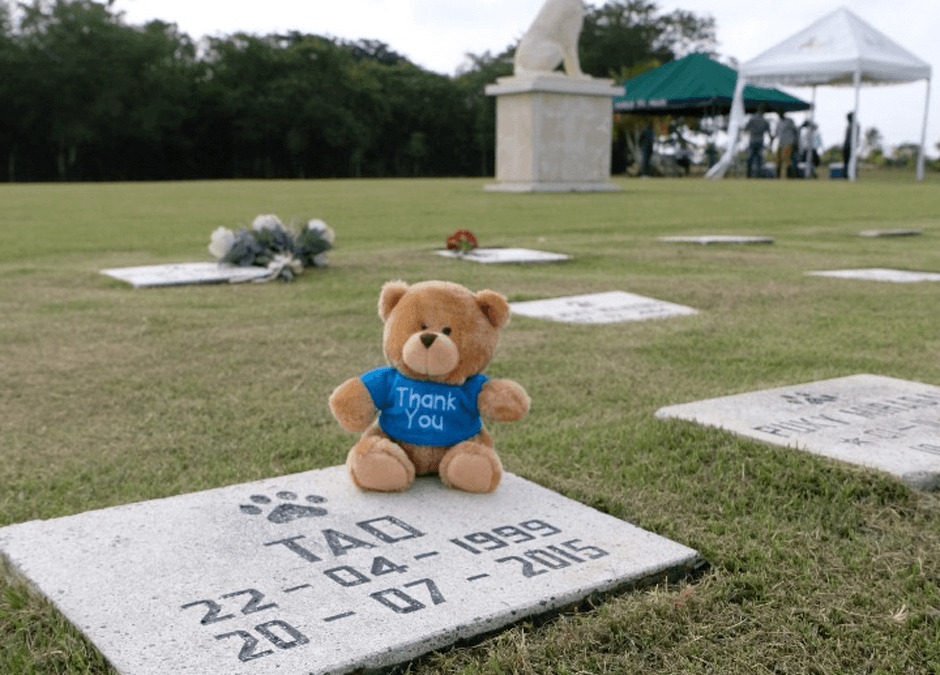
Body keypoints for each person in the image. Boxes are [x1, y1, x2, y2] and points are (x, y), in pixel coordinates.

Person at [744, 108, 772, 178]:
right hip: (760, 142)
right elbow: (769, 133)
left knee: (750, 158)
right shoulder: (765, 121)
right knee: (759, 159)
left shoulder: (752, 119)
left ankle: (749, 175)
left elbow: (745, 128)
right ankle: (759, 175)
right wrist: (771, 142)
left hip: (752, 141)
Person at [775, 114, 798, 179]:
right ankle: (778, 177)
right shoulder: (778, 122)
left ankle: (788, 176)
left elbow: (795, 131)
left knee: (787, 160)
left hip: (788, 143)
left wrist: (795, 142)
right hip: (780, 143)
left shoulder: (790, 121)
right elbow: (776, 134)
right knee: (778, 160)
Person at [842, 112, 858, 179]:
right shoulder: (850, 125)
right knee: (846, 161)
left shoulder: (854, 126)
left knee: (850, 160)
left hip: (850, 145)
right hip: (847, 145)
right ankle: (845, 174)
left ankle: (850, 174)